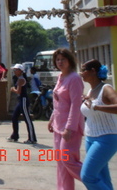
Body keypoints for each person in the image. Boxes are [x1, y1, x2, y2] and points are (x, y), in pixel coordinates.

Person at [48, 48, 84, 190]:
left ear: (70, 61)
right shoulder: (60, 77)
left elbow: (76, 105)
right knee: (60, 163)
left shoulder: (74, 78)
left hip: (70, 128)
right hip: (58, 125)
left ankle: (95, 180)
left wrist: (69, 128)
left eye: (63, 59)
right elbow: (58, 102)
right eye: (57, 59)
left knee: (68, 160)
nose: (60, 62)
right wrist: (52, 119)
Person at [80, 59, 117, 190]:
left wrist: (96, 106)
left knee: (87, 176)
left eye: (83, 70)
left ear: (93, 71)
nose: (81, 73)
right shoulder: (90, 91)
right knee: (102, 177)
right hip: (90, 138)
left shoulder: (106, 89)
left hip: (106, 138)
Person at [7, 64, 37, 144]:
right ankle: (15, 136)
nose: (14, 71)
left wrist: (13, 89)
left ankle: (32, 138)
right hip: (20, 100)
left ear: (20, 71)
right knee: (14, 117)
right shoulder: (19, 79)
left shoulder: (21, 79)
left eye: (16, 70)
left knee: (27, 119)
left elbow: (18, 91)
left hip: (23, 100)